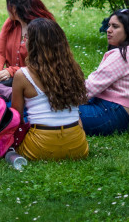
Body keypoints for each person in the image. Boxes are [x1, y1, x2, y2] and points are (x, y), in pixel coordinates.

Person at [10, 17, 88, 161]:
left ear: (33, 44)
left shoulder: (22, 75)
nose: (23, 41)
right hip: (77, 146)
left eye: (25, 37)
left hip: (40, 147)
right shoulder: (73, 69)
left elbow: (16, 118)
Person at [0, 0, 56, 82]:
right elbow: (0, 52)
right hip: (12, 78)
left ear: (13, 8)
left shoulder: (42, 28)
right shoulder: (10, 23)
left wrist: (11, 71)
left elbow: (40, 66)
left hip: (36, 81)